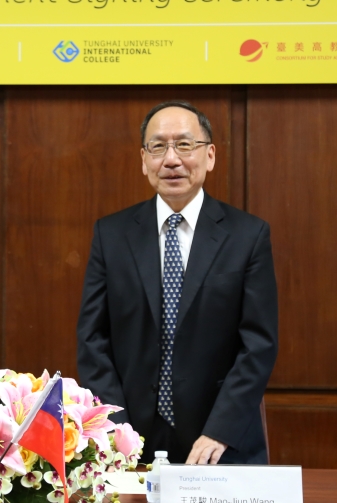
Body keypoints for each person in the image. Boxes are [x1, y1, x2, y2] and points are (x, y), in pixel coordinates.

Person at [76, 101, 278, 465]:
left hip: (219, 439)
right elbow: (93, 340)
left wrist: (221, 429)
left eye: (185, 145)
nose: (171, 160)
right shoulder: (111, 234)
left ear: (210, 155)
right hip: (130, 438)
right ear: (144, 159)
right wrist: (117, 430)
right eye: (158, 147)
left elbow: (258, 344)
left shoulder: (247, 235)